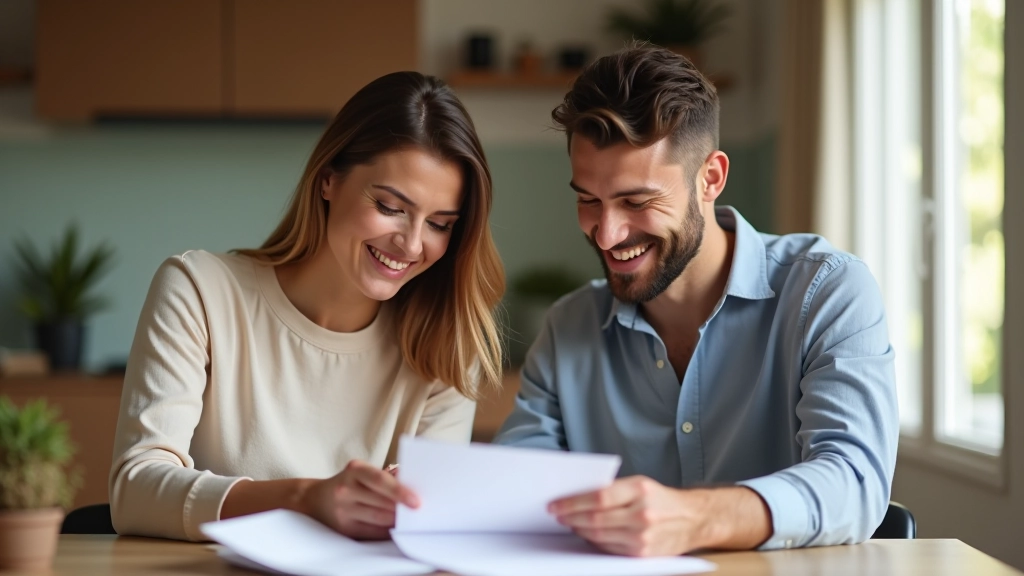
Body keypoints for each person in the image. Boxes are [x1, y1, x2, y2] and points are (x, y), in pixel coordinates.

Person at [495, 44, 898, 556]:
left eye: (636, 201)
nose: (606, 233)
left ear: (710, 178)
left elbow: (855, 481)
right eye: (588, 200)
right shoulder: (567, 327)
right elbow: (515, 487)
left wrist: (694, 518)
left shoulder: (829, 292)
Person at [109, 72, 505, 542]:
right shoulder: (199, 290)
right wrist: (303, 500)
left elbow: (428, 527)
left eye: (439, 224)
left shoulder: (445, 343)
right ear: (328, 180)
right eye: (391, 206)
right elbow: (133, 491)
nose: (412, 244)